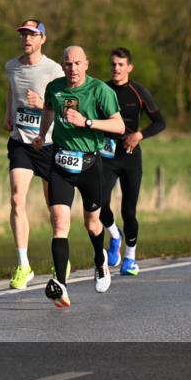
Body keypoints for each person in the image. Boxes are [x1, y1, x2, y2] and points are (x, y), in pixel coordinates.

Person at [33, 46, 124, 308]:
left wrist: (86, 122)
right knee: (59, 222)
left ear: (86, 64)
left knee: (92, 224)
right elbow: (48, 110)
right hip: (61, 162)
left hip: (89, 164)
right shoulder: (55, 87)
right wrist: (42, 134)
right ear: (62, 66)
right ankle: (60, 284)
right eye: (68, 64)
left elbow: (118, 126)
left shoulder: (99, 91)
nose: (72, 68)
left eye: (77, 63)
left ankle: (100, 260)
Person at [4, 18, 65, 289]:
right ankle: (23, 264)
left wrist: (42, 104)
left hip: (49, 144)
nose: (27, 39)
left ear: (43, 39)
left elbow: (64, 105)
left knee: (55, 207)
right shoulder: (11, 66)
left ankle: (59, 258)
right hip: (21, 143)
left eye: (32, 35)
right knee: (17, 199)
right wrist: (9, 114)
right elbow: (12, 90)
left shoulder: (53, 70)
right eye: (23, 35)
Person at [100, 47, 165, 276]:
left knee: (129, 210)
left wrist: (139, 135)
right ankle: (114, 235)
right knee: (98, 203)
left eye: (120, 65)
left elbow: (160, 122)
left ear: (129, 67)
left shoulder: (138, 91)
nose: (116, 68)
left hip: (130, 157)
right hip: (106, 156)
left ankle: (130, 258)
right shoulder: (102, 89)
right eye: (113, 64)